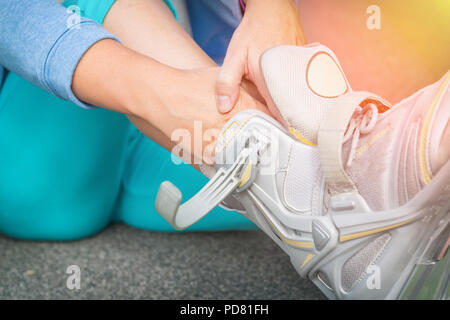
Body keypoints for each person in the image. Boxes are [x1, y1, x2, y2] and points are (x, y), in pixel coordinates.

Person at [0, 0, 304, 239]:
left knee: (307, 206)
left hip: (141, 149)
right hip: (34, 144)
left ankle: (321, 191)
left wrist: (271, 6)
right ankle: (246, 135)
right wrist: (166, 94)